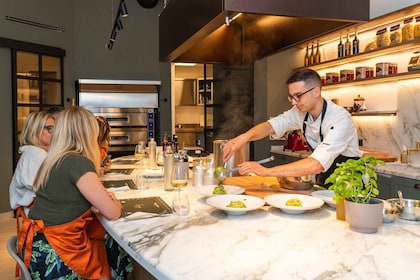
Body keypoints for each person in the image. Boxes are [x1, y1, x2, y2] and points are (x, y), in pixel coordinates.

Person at [18, 106, 132, 279]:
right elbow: (113, 212)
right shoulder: (77, 163)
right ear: (87, 134)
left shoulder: (55, 159)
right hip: (57, 256)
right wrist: (113, 201)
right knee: (116, 250)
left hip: (39, 251)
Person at [223, 68, 363, 187]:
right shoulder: (300, 112)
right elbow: (270, 126)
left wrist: (266, 172)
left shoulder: (340, 118)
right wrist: (242, 139)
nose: (294, 103)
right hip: (325, 178)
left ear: (316, 91)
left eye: (298, 96)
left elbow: (316, 164)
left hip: (350, 182)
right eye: (291, 97)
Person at [9, 111, 55, 215]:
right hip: (41, 215)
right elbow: (42, 187)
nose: (55, 133)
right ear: (35, 130)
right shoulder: (36, 155)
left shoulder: (33, 152)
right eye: (50, 128)